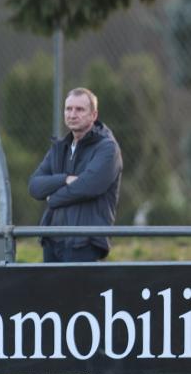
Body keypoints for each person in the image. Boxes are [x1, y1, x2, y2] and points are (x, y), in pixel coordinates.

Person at [28, 87, 123, 263]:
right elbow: (34, 186)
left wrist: (53, 198)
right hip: (52, 238)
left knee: (79, 291)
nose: (72, 114)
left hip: (84, 242)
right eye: (68, 109)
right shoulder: (60, 147)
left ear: (94, 115)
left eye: (79, 109)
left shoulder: (107, 148)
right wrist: (64, 179)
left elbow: (89, 186)